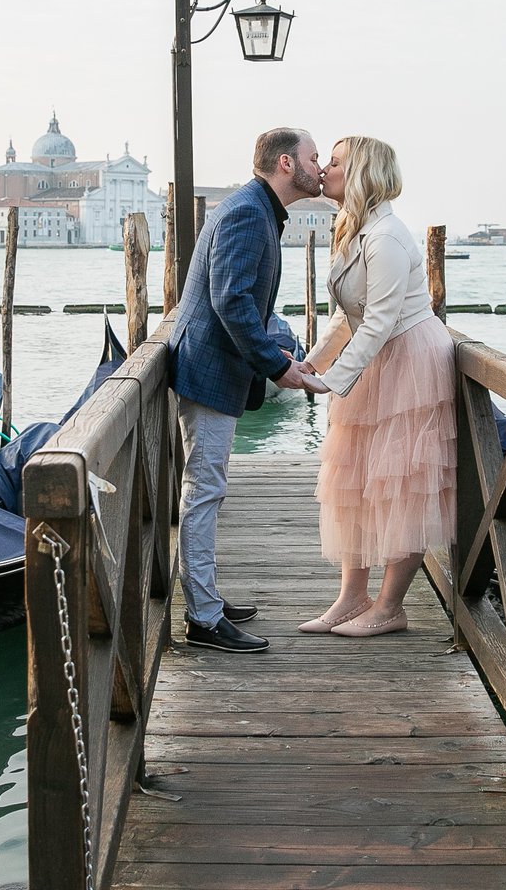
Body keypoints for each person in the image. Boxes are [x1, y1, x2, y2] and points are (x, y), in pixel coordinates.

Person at [168, 126, 323, 652]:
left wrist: (275, 354)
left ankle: (206, 599)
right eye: (313, 158)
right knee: (204, 489)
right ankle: (203, 619)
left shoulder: (256, 208)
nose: (318, 167)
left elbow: (238, 302)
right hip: (209, 371)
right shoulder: (248, 213)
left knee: (207, 487)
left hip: (214, 366)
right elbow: (231, 300)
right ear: (286, 163)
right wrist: (276, 367)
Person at [295, 136, 457, 636]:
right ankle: (351, 598)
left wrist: (333, 380)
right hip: (376, 358)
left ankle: (390, 608)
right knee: (354, 478)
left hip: (408, 359)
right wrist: (313, 363)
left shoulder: (386, 237)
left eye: (335, 163)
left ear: (362, 173)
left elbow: (382, 320)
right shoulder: (354, 229)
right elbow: (347, 316)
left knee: (402, 483)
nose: (324, 170)